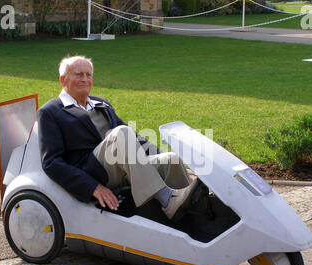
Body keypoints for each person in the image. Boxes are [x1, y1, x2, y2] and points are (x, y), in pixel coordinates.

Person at [37, 55, 199, 220]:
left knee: (170, 159)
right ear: (63, 80)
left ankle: (193, 208)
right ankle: (167, 200)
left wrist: (157, 154)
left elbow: (134, 137)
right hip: (93, 172)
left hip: (125, 166)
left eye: (88, 75)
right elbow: (51, 162)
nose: (85, 79)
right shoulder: (50, 112)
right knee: (121, 133)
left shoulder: (101, 103)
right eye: (78, 74)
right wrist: (93, 187)